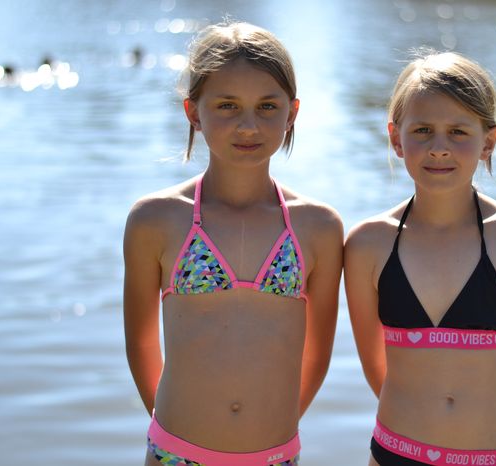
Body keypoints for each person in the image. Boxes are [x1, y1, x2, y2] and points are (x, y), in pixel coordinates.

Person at [123, 21, 343, 466]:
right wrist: (171, 434)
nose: (248, 125)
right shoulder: (155, 219)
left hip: (275, 456)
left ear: (292, 113)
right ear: (193, 112)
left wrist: (270, 430)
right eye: (227, 105)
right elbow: (142, 345)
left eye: (267, 106)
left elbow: (317, 354)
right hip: (175, 453)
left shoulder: (318, 227)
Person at [344, 51, 496, 466]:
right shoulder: (367, 244)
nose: (439, 148)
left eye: (458, 131)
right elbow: (375, 368)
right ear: (396, 138)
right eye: (422, 130)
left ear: (488, 141)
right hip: (395, 455)